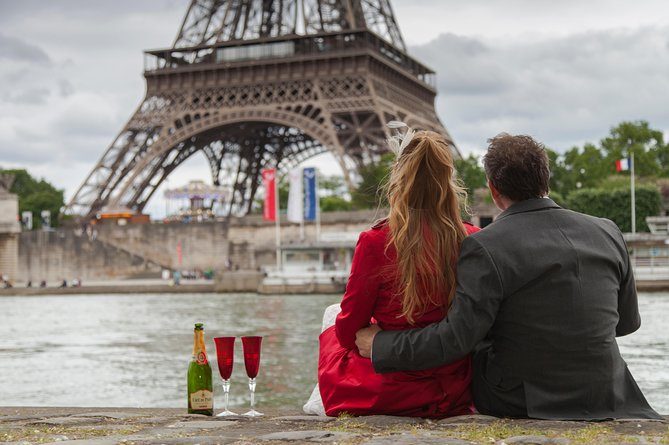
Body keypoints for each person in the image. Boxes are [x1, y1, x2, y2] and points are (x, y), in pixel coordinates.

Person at [356, 133, 661, 420]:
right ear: (546, 179)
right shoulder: (607, 230)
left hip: (523, 398)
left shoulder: (486, 245)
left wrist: (382, 345)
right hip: (608, 393)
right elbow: (627, 323)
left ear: (493, 188)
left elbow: (455, 339)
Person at [316, 130, 479, 418]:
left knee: (332, 323)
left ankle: (319, 402)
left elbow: (347, 329)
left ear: (398, 179)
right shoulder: (471, 239)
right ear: (449, 182)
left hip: (390, 388)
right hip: (454, 386)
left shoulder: (377, 241)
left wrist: (380, 334)